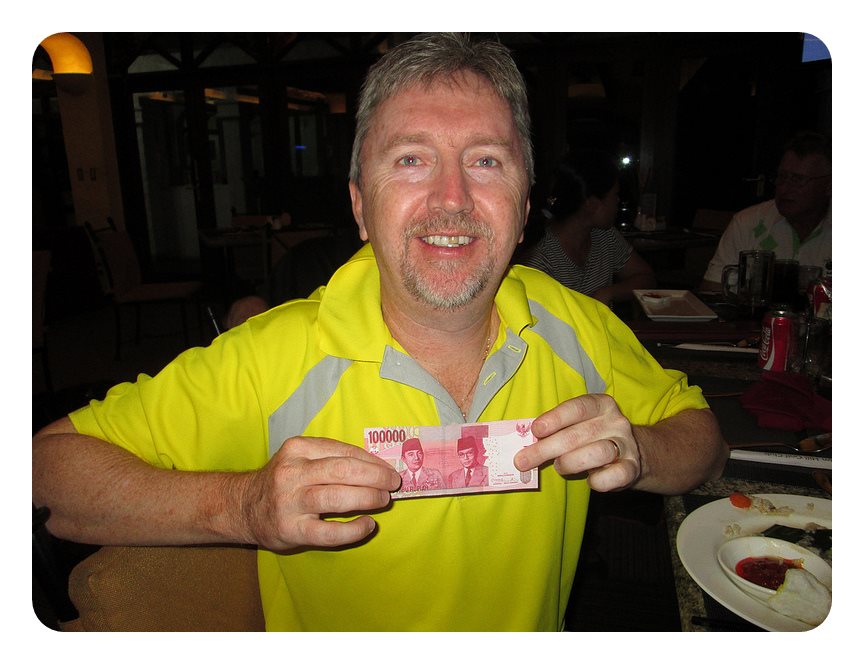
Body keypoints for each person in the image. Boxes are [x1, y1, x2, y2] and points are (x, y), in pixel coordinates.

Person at [32, 33, 726, 631]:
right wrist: (242, 505)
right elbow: (46, 471)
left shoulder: (573, 321)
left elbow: (703, 442)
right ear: (361, 206)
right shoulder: (274, 357)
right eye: (411, 159)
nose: (452, 199)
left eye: (486, 160)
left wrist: (639, 451)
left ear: (523, 210)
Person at [516, 149, 656, 306]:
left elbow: (645, 277)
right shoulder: (541, 259)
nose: (618, 201)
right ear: (592, 204)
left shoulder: (605, 236)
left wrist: (608, 293)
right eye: (615, 195)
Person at [701, 131, 831, 290]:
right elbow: (712, 289)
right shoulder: (748, 222)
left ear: (829, 185)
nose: (784, 188)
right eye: (781, 177)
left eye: (798, 180)